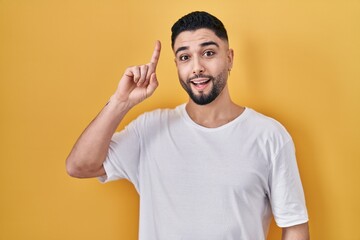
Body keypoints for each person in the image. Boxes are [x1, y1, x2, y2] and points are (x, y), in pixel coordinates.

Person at [66, 11, 309, 240]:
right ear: (177, 66)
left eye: (208, 53)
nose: (197, 67)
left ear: (229, 58)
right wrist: (120, 102)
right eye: (185, 57)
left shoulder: (269, 135)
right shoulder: (149, 129)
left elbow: (295, 224)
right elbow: (79, 166)